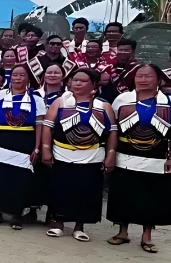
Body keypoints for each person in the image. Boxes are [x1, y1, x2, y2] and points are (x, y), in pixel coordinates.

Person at [105, 65, 171, 252]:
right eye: (139, 75)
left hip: (156, 156)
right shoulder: (122, 99)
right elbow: (112, 129)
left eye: (148, 76)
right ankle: (122, 231)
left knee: (151, 196)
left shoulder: (170, 102)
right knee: (123, 193)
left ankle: (147, 236)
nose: (143, 79)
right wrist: (111, 153)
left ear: (159, 80)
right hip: (125, 154)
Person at [40, 68, 117, 242]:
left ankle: (79, 226)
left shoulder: (104, 106)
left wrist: (111, 154)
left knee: (86, 191)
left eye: (82, 81)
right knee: (60, 189)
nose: (77, 83)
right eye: (75, 80)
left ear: (94, 85)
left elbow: (112, 132)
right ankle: (59, 223)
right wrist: (45, 149)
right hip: (62, 154)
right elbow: (47, 126)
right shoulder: (60, 102)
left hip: (92, 156)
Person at [0, 67, 44, 229]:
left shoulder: (36, 98)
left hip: (24, 141)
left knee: (20, 179)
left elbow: (39, 126)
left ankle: (16, 214)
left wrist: (37, 148)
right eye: (15, 75)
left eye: (22, 75)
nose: (18, 78)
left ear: (28, 78)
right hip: (1, 139)